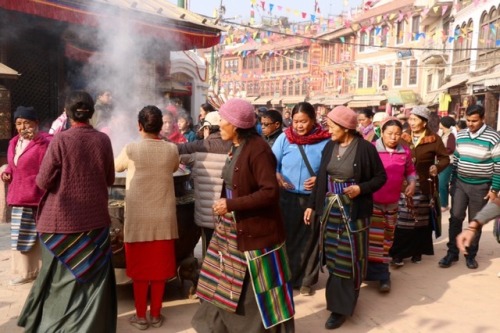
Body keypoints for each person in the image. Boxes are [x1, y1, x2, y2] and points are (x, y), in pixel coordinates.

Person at [192, 98, 294, 332]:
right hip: (231, 227)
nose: (220, 126)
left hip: (255, 231)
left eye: (224, 121)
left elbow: (269, 193)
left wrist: (231, 204)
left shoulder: (258, 151)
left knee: (251, 289)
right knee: (222, 280)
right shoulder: (236, 146)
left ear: (236, 125)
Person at [18, 90, 117, 332]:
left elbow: (43, 181)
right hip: (95, 221)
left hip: (60, 223)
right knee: (92, 278)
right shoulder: (103, 140)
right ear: (91, 113)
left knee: (59, 280)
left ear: (69, 114)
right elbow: (110, 178)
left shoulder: (60, 140)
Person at [304, 105, 386, 330]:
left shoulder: (365, 149)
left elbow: (380, 177)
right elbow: (321, 177)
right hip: (331, 209)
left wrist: (361, 188)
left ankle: (339, 309)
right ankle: (340, 301)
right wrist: (312, 205)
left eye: (331, 126)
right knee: (332, 257)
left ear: (345, 127)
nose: (327, 130)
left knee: (348, 260)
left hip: (354, 212)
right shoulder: (330, 146)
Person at [115, 105, 179, 330]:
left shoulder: (131, 149)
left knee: (140, 271)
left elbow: (115, 167)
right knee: (159, 270)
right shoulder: (171, 149)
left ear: (139, 126)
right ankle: (156, 314)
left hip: (138, 221)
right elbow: (174, 169)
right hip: (163, 220)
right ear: (161, 126)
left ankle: (140, 317)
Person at [272, 102, 330, 296]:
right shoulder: (284, 138)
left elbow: (331, 169)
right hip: (286, 197)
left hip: (312, 198)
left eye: (303, 121)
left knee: (310, 239)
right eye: (296, 121)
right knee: (286, 238)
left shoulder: (325, 141)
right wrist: (277, 174)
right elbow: (271, 163)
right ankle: (287, 277)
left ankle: (307, 280)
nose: (299, 126)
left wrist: (321, 179)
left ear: (313, 120)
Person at [439, 104, 500, 269]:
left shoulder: (493, 137)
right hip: (460, 183)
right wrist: (452, 181)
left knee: (475, 220)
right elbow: (457, 159)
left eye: (474, 121)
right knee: (455, 217)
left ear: (483, 119)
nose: (471, 124)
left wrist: (494, 189)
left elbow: (498, 165)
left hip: (481, 186)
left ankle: (470, 254)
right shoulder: (462, 134)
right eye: (468, 120)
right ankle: (452, 253)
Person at [390, 106, 449, 266]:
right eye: (410, 119)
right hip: (403, 185)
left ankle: (417, 252)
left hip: (423, 186)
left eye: (415, 119)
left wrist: (436, 167)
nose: (412, 122)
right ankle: (398, 254)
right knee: (402, 221)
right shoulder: (402, 137)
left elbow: (445, 158)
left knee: (420, 221)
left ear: (424, 122)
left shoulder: (434, 139)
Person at [1, 106, 51, 286]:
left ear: (36, 123)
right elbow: (13, 164)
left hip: (37, 196)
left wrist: (37, 139)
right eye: (19, 123)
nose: (22, 127)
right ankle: (25, 272)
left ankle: (40, 272)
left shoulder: (45, 141)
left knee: (38, 237)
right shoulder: (14, 142)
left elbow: (51, 161)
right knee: (20, 236)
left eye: (26, 123)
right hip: (18, 195)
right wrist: (6, 172)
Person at [366, 117, 416, 293]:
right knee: (375, 240)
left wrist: (411, 183)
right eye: (390, 134)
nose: (394, 138)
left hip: (393, 202)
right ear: (382, 133)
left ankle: (379, 273)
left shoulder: (405, 152)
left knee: (388, 238)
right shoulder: (372, 150)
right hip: (373, 202)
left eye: (397, 134)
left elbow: (410, 171)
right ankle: (381, 276)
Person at [177, 111, 232, 254]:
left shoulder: (198, 146)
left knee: (209, 251)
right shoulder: (235, 146)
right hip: (229, 209)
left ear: (207, 128)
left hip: (206, 213)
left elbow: (177, 152)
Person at [438, 116, 456, 212]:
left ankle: (444, 204)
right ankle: (443, 203)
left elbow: (451, 148)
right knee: (441, 184)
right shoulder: (443, 134)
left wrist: (440, 152)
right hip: (441, 162)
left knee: (442, 183)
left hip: (448, 162)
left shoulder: (451, 135)